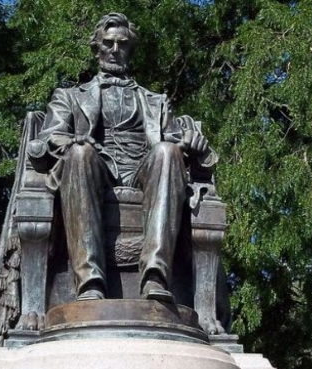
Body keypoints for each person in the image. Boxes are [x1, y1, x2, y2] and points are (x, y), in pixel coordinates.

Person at [27, 13, 216, 302]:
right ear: (96, 48)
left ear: (130, 49)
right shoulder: (70, 96)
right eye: (108, 43)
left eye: (122, 44)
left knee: (167, 151)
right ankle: (89, 282)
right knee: (79, 153)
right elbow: (49, 137)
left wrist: (196, 147)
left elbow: (178, 144)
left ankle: (155, 276)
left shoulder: (156, 101)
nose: (115, 50)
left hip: (144, 173)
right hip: (92, 169)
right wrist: (73, 140)